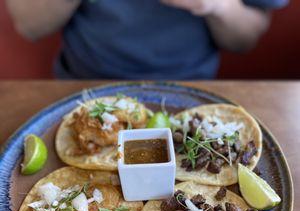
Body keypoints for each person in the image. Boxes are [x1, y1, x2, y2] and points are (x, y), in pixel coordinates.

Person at [6, 0, 289, 79]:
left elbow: (246, 40)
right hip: (82, 84)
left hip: (193, 93)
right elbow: (29, 25)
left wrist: (217, 6)